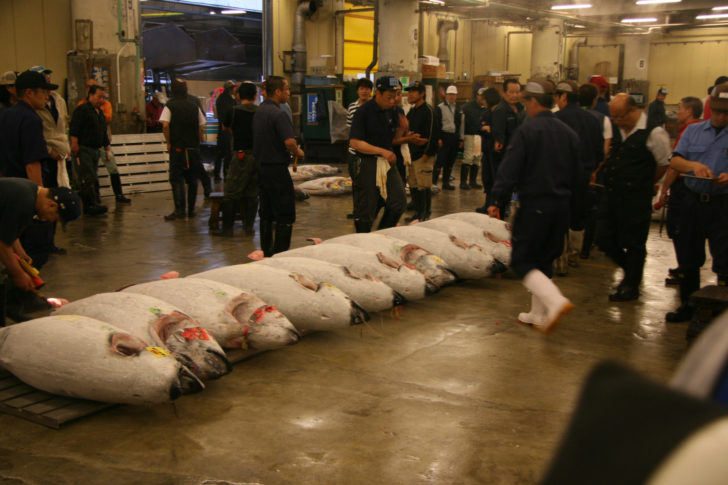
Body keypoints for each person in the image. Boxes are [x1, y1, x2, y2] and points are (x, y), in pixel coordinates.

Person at [486, 80, 581, 333]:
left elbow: (509, 168)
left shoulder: (529, 131)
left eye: (526, 101)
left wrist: (496, 200)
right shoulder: (569, 133)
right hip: (562, 207)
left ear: (535, 102)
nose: (524, 105)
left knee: (523, 260)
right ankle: (537, 314)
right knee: (544, 260)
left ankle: (555, 301)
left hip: (536, 205)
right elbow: (579, 175)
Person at [596, 93, 671, 301]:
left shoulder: (654, 133)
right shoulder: (619, 130)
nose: (617, 121)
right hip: (611, 195)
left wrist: (643, 182)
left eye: (620, 116)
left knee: (635, 242)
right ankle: (631, 272)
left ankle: (631, 285)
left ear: (633, 110)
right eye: (614, 117)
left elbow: (663, 164)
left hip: (636, 198)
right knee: (604, 238)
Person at [665, 82, 728, 323]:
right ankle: (688, 305)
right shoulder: (693, 131)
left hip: (723, 205)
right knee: (688, 257)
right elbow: (675, 162)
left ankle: (722, 313)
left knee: (724, 259)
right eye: (718, 111)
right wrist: (694, 165)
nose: (721, 117)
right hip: (692, 203)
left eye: (726, 112)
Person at [0, 178, 81, 323]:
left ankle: (8, 313)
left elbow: (7, 230)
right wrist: (19, 275)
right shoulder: (24, 201)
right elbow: (2, 245)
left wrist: (20, 252)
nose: (50, 220)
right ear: (52, 205)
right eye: (54, 217)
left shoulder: (31, 193)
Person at [553, 80, 604, 271]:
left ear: (563, 97)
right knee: (577, 218)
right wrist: (591, 172)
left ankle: (560, 260)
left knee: (559, 217)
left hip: (559, 177)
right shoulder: (592, 119)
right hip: (584, 177)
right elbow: (600, 152)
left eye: (557, 97)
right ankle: (574, 255)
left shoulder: (556, 119)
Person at [253, 76, 304, 255]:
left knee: (266, 211)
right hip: (276, 169)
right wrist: (297, 151)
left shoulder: (259, 111)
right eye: (286, 89)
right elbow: (289, 141)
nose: (288, 93)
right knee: (285, 212)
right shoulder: (279, 113)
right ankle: (281, 254)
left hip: (261, 168)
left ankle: (267, 251)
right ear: (277, 92)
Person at [349, 76, 407, 233]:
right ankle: (361, 241)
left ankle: (382, 234)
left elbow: (394, 139)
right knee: (365, 208)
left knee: (399, 201)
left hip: (387, 163)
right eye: (389, 96)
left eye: (396, 96)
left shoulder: (391, 111)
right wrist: (381, 151)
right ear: (378, 93)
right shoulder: (364, 111)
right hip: (366, 162)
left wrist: (402, 129)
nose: (393, 100)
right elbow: (355, 142)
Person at [657, 96, 703, 286]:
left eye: (681, 109)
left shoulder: (689, 133)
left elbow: (675, 166)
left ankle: (686, 270)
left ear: (690, 111)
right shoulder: (695, 130)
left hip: (683, 189)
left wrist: (664, 188)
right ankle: (683, 267)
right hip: (690, 191)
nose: (678, 113)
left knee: (680, 232)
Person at [30, 66, 72, 256]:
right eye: (43, 82)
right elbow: (34, 135)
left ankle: (50, 242)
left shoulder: (58, 100)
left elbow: (64, 126)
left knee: (56, 199)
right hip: (42, 157)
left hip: (61, 155)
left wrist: (66, 148)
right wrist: (48, 150)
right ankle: (38, 242)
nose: (47, 88)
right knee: (41, 201)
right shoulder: (33, 107)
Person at [214, 82, 259, 237]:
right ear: (255, 96)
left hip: (240, 156)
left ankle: (227, 229)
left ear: (238, 96)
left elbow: (225, 128)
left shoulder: (233, 112)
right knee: (252, 193)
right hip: (256, 155)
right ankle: (249, 228)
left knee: (231, 192)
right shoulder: (260, 112)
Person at [77, 79, 131, 204]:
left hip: (103, 141)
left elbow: (108, 117)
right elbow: (78, 123)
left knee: (112, 167)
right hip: (87, 144)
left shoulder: (105, 105)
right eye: (88, 86)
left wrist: (107, 148)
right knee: (91, 173)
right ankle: (95, 198)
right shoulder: (81, 105)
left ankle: (119, 194)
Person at [160, 79, 206, 221]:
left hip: (178, 149)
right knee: (192, 179)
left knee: (176, 178)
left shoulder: (170, 106)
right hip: (193, 149)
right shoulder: (194, 106)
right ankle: (191, 210)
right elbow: (201, 127)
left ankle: (180, 210)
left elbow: (165, 125)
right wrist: (198, 142)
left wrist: (168, 142)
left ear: (172, 90)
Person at [478, 78, 525, 214]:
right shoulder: (501, 110)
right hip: (503, 156)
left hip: (516, 155)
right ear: (504, 93)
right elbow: (498, 137)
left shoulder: (520, 109)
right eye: (511, 92)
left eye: (517, 92)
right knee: (500, 185)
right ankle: (498, 210)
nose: (515, 95)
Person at [578, 82, 613, 259]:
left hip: (570, 171)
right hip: (592, 172)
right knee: (591, 209)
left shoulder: (565, 117)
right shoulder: (603, 119)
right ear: (594, 100)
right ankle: (585, 248)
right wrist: (595, 169)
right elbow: (605, 149)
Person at [0, 70, 53, 183]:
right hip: (25, 188)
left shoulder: (5, 114)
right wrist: (39, 195)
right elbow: (32, 164)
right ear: (29, 93)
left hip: (6, 186)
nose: (47, 97)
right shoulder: (31, 119)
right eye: (43, 92)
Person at [69, 85, 114, 216]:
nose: (101, 100)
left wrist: (107, 149)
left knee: (93, 177)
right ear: (90, 95)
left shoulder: (99, 113)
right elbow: (74, 128)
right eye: (99, 97)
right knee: (88, 177)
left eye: (103, 97)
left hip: (95, 149)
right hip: (84, 148)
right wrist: (74, 144)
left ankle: (95, 202)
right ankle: (89, 206)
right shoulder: (81, 110)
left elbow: (103, 132)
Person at [404, 81, 437, 222]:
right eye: (409, 91)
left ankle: (425, 213)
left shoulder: (428, 111)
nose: (409, 94)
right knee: (414, 185)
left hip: (423, 156)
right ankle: (417, 212)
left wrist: (427, 153)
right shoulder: (412, 111)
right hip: (412, 155)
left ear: (422, 94)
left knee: (424, 185)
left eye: (413, 92)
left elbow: (433, 134)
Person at [346, 78, 374, 219]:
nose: (364, 91)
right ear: (357, 90)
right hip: (353, 152)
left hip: (368, 152)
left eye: (367, 88)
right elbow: (349, 128)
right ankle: (356, 209)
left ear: (371, 91)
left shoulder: (374, 107)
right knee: (355, 182)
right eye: (362, 88)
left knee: (368, 183)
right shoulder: (352, 107)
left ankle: (367, 210)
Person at [433, 85, 462, 190]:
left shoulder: (458, 108)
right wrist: (438, 138)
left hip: (454, 137)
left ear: (456, 96)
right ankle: (434, 183)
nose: (451, 97)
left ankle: (446, 183)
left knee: (450, 161)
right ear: (446, 95)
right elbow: (437, 124)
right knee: (440, 160)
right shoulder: (440, 108)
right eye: (450, 95)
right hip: (444, 136)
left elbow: (461, 124)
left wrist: (461, 138)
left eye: (453, 95)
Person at [479, 87, 501, 204]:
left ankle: (498, 204)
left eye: (484, 99)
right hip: (487, 151)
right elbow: (479, 128)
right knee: (487, 179)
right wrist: (484, 128)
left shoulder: (500, 112)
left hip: (496, 152)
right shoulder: (486, 113)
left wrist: (490, 129)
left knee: (496, 179)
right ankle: (488, 204)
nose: (483, 101)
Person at [460, 88, 486, 190]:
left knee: (477, 158)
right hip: (469, 135)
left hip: (480, 136)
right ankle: (463, 182)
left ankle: (473, 181)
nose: (482, 98)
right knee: (468, 157)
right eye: (480, 96)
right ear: (477, 96)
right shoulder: (467, 107)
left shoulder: (486, 107)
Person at [214, 80, 236, 182]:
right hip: (227, 129)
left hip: (221, 129)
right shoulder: (230, 101)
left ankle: (216, 175)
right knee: (228, 154)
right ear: (230, 89)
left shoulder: (219, 99)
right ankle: (226, 174)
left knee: (219, 154)